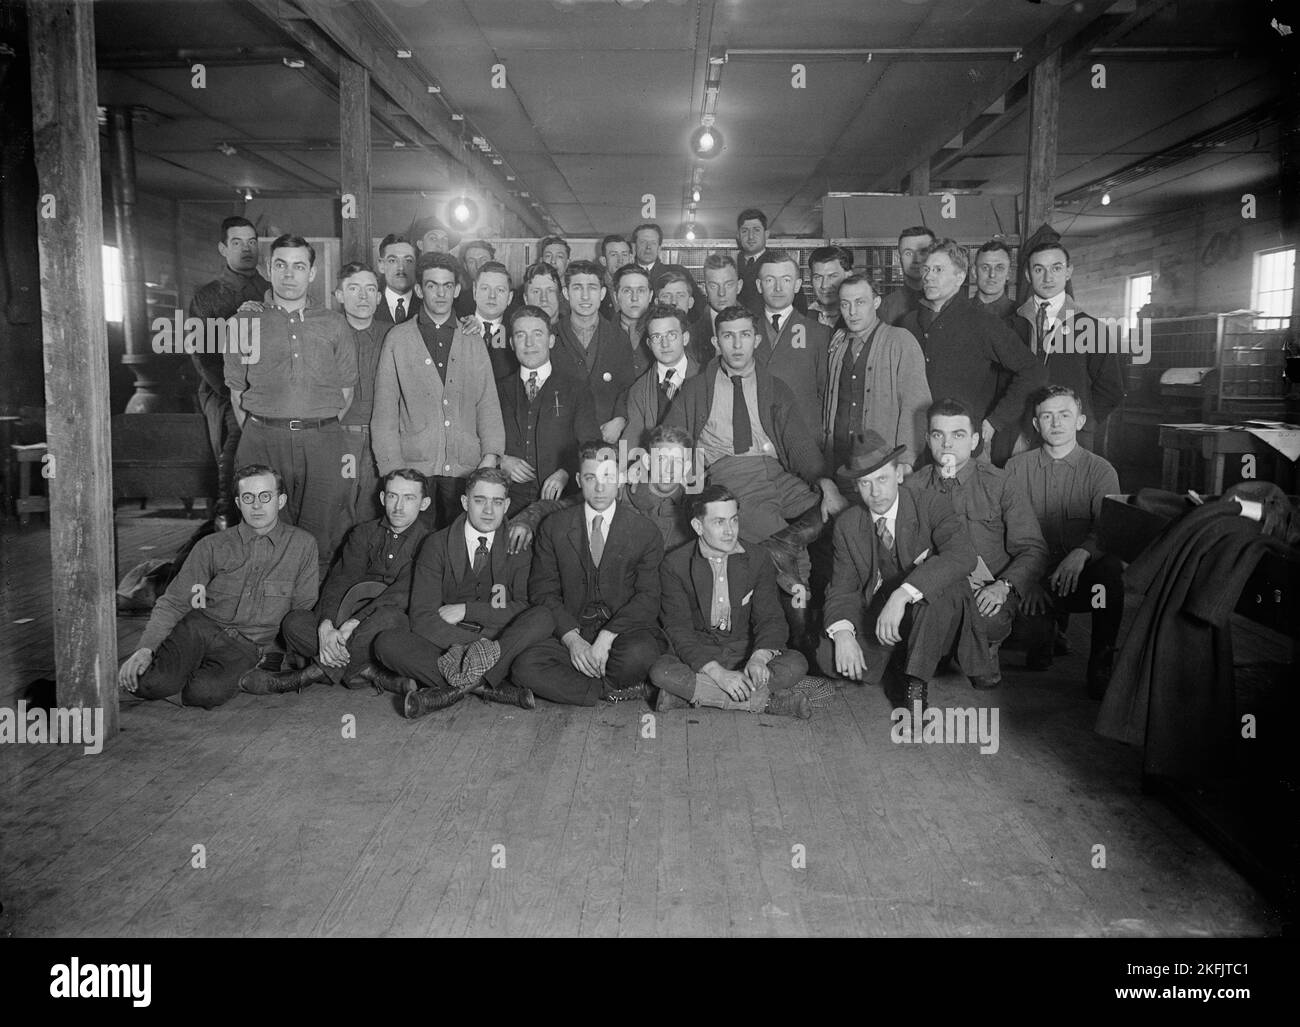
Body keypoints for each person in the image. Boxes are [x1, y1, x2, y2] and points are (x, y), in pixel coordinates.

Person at [664, 304, 841, 596]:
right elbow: (672, 440)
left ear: (756, 340)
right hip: (731, 473)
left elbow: (798, 444)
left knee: (837, 514)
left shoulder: (775, 387)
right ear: (715, 342)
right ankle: (799, 625)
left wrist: (825, 482)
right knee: (794, 556)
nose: (736, 345)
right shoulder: (696, 389)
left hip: (776, 472)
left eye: (744, 335)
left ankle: (787, 553)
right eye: (728, 336)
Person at [117, 465, 318, 708]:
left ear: (281, 500)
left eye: (266, 496)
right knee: (146, 684)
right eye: (248, 498)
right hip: (200, 628)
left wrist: (274, 654)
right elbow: (174, 601)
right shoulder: (211, 545)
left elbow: (301, 611)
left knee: (204, 694)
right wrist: (145, 649)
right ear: (238, 502)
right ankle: (185, 670)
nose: (257, 505)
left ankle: (226, 676)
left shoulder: (303, 545)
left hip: (246, 645)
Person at [820, 432, 989, 709]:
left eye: (882, 479)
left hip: (933, 619)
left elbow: (962, 555)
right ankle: (897, 659)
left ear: (899, 475)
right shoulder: (848, 525)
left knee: (944, 585)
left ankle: (915, 684)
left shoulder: (930, 504)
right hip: (883, 621)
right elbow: (843, 588)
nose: (875, 493)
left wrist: (903, 594)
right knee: (827, 654)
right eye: (865, 483)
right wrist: (842, 633)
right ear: (855, 486)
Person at [373, 467, 553, 717]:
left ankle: (453, 690)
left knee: (542, 617)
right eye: (480, 501)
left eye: (497, 502)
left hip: (500, 639)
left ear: (507, 504)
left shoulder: (518, 546)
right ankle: (488, 686)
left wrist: (468, 610)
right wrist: (472, 648)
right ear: (465, 502)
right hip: (449, 644)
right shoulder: (436, 544)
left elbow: (524, 607)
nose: (489, 511)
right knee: (387, 643)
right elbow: (423, 616)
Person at [226, 234, 357, 575]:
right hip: (263, 439)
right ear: (268, 269)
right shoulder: (244, 322)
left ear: (312, 273)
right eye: (281, 265)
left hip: (323, 441)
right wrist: (268, 429)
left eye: (299, 266)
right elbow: (237, 392)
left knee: (321, 536)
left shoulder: (334, 323)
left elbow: (346, 390)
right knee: (262, 536)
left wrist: (315, 424)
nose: (289, 274)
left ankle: (312, 621)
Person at [238, 468, 431, 695]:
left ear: (424, 503)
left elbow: (401, 594)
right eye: (392, 496)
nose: (399, 506)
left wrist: (355, 623)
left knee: (390, 618)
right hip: (347, 618)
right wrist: (327, 624)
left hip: (388, 624)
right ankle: (367, 672)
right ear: (382, 498)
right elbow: (341, 580)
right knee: (294, 622)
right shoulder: (363, 532)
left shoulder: (430, 542)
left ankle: (307, 676)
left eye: (409, 498)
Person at [905, 399, 1048, 687]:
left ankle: (984, 648)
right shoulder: (912, 487)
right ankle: (942, 652)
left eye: (957, 435)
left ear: (974, 441)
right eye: (937, 435)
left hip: (987, 589)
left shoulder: (1000, 483)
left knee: (987, 617)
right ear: (927, 440)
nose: (947, 444)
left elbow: (1033, 549)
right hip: (936, 590)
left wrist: (1002, 586)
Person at [512, 442, 666, 706]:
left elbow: (648, 598)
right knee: (524, 666)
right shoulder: (555, 526)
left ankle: (580, 685)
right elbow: (542, 592)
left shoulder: (644, 531)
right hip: (573, 629)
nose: (599, 487)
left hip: (622, 634)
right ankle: (608, 690)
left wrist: (607, 637)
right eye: (590, 477)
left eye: (608, 476)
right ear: (578, 480)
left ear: (619, 478)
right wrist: (573, 641)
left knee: (640, 654)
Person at [651, 485, 814, 718]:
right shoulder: (674, 564)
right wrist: (718, 674)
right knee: (661, 671)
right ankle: (767, 703)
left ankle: (691, 696)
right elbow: (679, 631)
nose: (730, 531)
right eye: (719, 522)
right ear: (698, 526)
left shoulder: (758, 557)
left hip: (743, 650)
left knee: (796, 663)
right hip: (700, 653)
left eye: (734, 520)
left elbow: (771, 618)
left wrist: (759, 658)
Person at [370, 251, 504, 528]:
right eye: (432, 285)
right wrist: (394, 472)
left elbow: (487, 404)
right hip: (413, 472)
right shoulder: (398, 339)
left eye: (447, 286)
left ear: (457, 290)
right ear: (419, 289)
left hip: (467, 469)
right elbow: (384, 413)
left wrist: (490, 457)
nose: (440, 293)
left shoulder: (472, 338)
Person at [1005, 385, 1124, 698]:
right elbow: (1005, 529)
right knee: (1031, 650)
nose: (1056, 423)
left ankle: (1102, 661)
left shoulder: (1101, 470)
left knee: (1110, 574)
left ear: (1080, 421)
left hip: (1080, 574)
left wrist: (1082, 553)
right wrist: (1026, 579)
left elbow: (1109, 529)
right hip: (1037, 573)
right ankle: (1048, 631)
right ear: (1036, 424)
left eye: (1064, 415)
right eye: (1047, 416)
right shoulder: (1016, 469)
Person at [898, 238, 1044, 467]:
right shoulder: (908, 323)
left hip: (964, 450)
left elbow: (1032, 370)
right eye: (926, 269)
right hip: (914, 448)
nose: (928, 276)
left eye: (938, 269)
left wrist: (995, 421)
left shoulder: (982, 322)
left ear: (960, 277)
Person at [188, 215, 269, 528]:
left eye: (251, 242)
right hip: (223, 389)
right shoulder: (207, 296)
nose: (246, 249)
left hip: (267, 388)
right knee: (239, 433)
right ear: (223, 248)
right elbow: (203, 355)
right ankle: (226, 513)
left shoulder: (271, 291)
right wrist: (237, 392)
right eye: (237, 243)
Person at [1011, 242, 1125, 453]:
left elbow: (1111, 389)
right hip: (1020, 436)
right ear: (1028, 275)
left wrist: (1082, 423)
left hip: (1073, 440)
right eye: (1038, 269)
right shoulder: (1011, 325)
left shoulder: (1090, 328)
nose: (1047, 278)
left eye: (1056, 268)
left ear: (1068, 271)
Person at [821, 272, 931, 482]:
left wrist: (907, 461)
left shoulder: (900, 341)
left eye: (860, 302)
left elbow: (917, 406)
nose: (852, 311)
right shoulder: (838, 346)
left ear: (877, 302)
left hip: (884, 466)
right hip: (840, 463)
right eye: (845, 304)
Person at [496, 304, 599, 515]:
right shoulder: (498, 389)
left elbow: (591, 445)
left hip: (561, 502)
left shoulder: (576, 388)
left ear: (551, 340)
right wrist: (501, 460)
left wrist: (566, 472)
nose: (529, 343)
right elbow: (479, 438)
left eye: (537, 334)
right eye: (520, 335)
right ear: (512, 343)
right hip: (507, 501)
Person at [551, 260, 639, 440]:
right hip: (560, 440)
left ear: (603, 293)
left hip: (606, 437)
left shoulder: (619, 338)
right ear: (566, 293)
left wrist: (620, 419)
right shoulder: (551, 337)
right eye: (577, 288)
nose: (585, 296)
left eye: (592, 288)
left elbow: (628, 386)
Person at [332, 262, 386, 523]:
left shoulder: (395, 335)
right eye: (353, 289)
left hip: (381, 439)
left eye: (370, 289)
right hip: (341, 436)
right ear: (340, 295)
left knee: (373, 510)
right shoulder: (325, 334)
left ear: (378, 297)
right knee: (339, 509)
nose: (363, 296)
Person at [755, 248, 830, 417]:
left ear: (797, 285)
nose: (778, 288)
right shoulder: (745, 331)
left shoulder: (819, 334)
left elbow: (825, 394)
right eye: (769, 280)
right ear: (759, 286)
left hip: (802, 435)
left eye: (786, 280)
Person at [621, 303, 700, 450]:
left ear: (685, 338)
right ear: (649, 344)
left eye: (671, 335)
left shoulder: (705, 379)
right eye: (657, 337)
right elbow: (632, 440)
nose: (665, 344)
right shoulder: (640, 390)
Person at [735, 207, 809, 316]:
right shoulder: (733, 266)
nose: (750, 236)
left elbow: (799, 306)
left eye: (756, 230)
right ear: (738, 235)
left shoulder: (781, 263)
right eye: (745, 231)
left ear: (766, 234)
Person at [631, 221, 706, 311]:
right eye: (643, 242)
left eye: (653, 243)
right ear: (634, 246)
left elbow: (699, 305)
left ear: (659, 248)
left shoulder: (679, 272)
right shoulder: (625, 275)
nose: (648, 247)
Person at [877, 226, 935, 327]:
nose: (916, 259)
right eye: (908, 253)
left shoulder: (948, 301)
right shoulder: (887, 307)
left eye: (923, 252)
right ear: (900, 259)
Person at [471, 259, 517, 379]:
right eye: (485, 288)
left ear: (510, 298)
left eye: (500, 290)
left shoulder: (516, 334)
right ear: (474, 291)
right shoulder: (458, 327)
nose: (492, 295)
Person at [656, 268, 712, 365]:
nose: (673, 302)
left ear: (690, 302)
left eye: (680, 295)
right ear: (656, 303)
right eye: (666, 296)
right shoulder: (648, 338)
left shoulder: (704, 338)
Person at [612, 262, 655, 378]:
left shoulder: (662, 331)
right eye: (627, 291)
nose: (634, 298)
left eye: (641, 290)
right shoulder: (603, 332)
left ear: (650, 296)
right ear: (616, 297)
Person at [374, 233, 420, 325]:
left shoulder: (426, 306)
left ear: (417, 265)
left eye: (408, 260)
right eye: (392, 260)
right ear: (381, 265)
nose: (401, 268)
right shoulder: (370, 305)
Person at [808, 244, 853, 330]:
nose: (824, 285)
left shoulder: (861, 317)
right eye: (818, 277)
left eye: (832, 276)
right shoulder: (803, 317)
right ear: (810, 279)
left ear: (848, 277)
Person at [972, 240, 1015, 320]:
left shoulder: (1021, 315)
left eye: (999, 268)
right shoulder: (956, 313)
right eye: (985, 268)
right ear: (974, 272)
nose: (992, 274)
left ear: (1009, 274)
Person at [597, 234, 633, 319]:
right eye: (614, 255)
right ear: (603, 261)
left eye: (624, 254)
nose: (620, 260)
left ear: (631, 259)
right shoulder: (595, 287)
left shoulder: (641, 287)